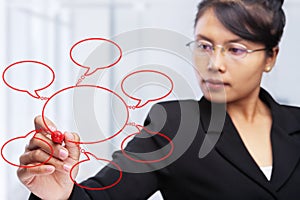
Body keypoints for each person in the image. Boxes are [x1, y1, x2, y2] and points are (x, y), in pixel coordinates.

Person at [17, 0, 300, 199]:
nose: (214, 63)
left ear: (270, 57)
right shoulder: (176, 126)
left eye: (236, 49)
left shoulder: (296, 123)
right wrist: (58, 195)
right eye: (204, 45)